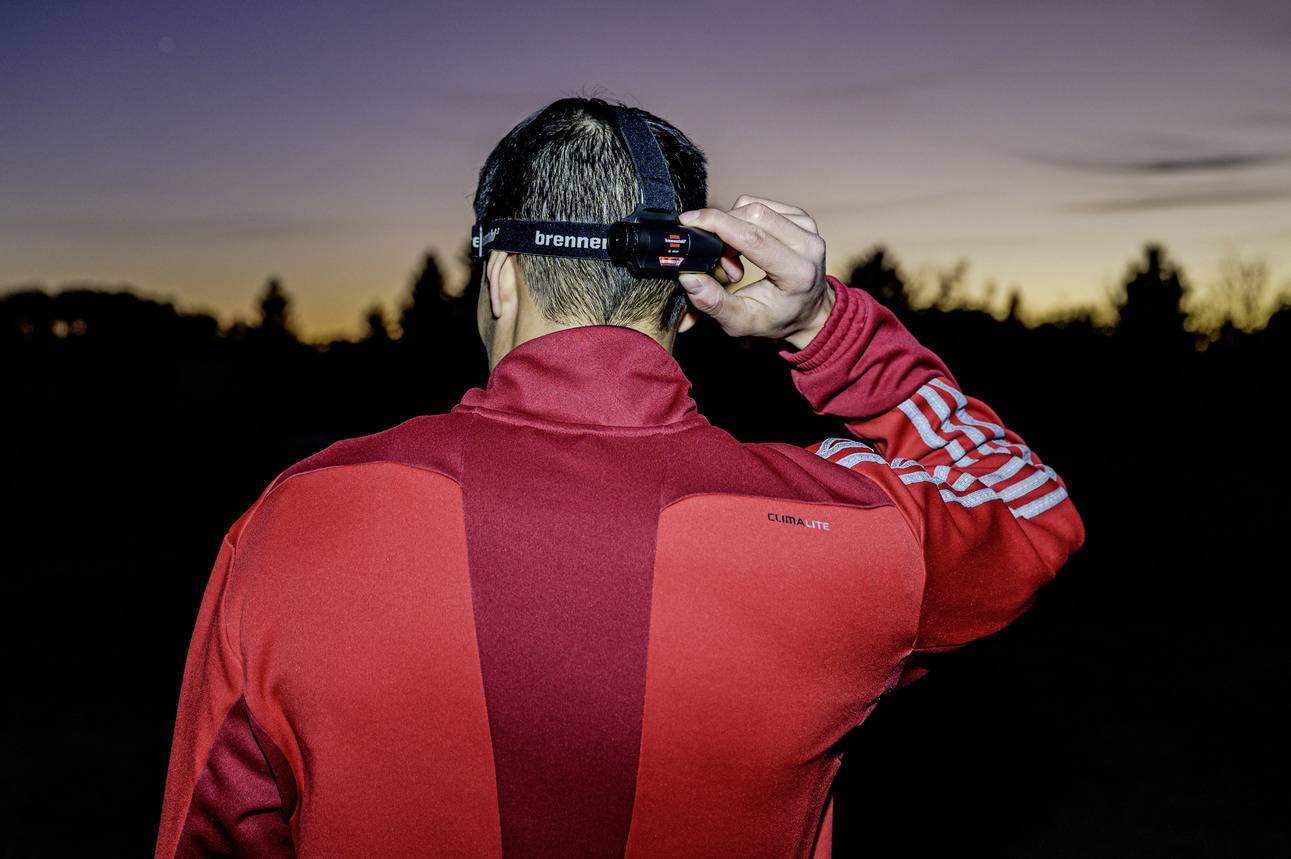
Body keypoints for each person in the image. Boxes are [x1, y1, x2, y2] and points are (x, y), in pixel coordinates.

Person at [154, 97, 1084, 859]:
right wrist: (822, 325)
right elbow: (1029, 507)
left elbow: (214, 828)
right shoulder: (835, 525)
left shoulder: (300, 516)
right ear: (687, 304)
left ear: (502, 279)